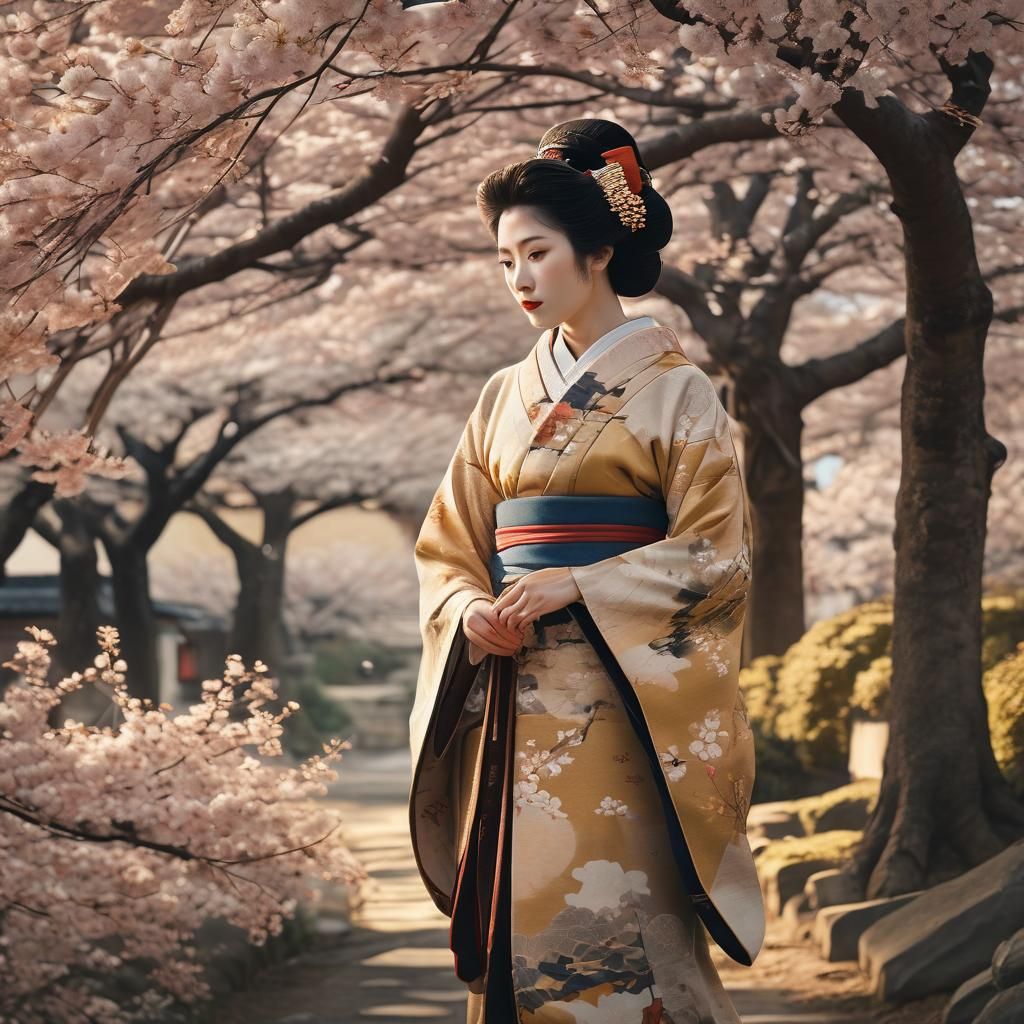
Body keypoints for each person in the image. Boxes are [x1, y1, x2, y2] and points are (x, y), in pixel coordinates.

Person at [408, 118, 763, 1024]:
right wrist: (468, 611)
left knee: (618, 915)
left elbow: (718, 558)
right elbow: (448, 543)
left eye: (537, 253)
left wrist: (583, 583)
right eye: (504, 260)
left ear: (598, 250)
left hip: (620, 710)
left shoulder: (677, 389)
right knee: (514, 935)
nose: (520, 279)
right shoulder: (501, 395)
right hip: (510, 702)